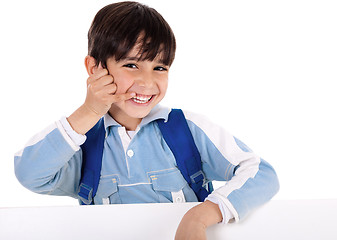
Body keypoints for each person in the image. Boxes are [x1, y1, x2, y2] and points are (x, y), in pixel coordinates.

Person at [14, 1, 279, 239]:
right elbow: (30, 174)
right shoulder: (83, 142)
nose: (147, 82)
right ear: (95, 69)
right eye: (131, 65)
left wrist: (199, 216)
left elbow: (261, 172)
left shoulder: (185, 129)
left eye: (159, 68)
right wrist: (89, 111)